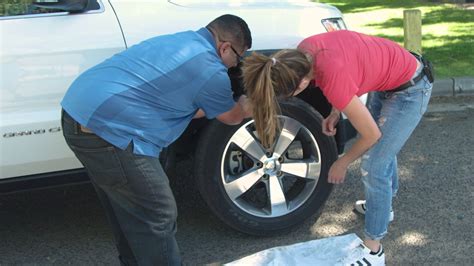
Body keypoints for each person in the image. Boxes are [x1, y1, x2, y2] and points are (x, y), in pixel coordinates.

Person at [61, 14, 252, 265]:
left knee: (129, 209)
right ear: (224, 46)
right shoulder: (210, 69)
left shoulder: (181, 41)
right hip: (107, 133)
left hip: (77, 115)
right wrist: (251, 103)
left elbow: (185, 103)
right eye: (238, 58)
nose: (233, 66)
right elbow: (232, 116)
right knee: (157, 213)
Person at [242, 30, 433, 265]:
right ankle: (383, 206)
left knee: (373, 164)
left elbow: (371, 135)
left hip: (411, 90)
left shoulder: (331, 78)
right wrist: (336, 110)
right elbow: (347, 68)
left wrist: (341, 163)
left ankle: (374, 251)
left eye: (289, 94)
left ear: (302, 82)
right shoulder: (306, 51)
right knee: (382, 152)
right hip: (388, 81)